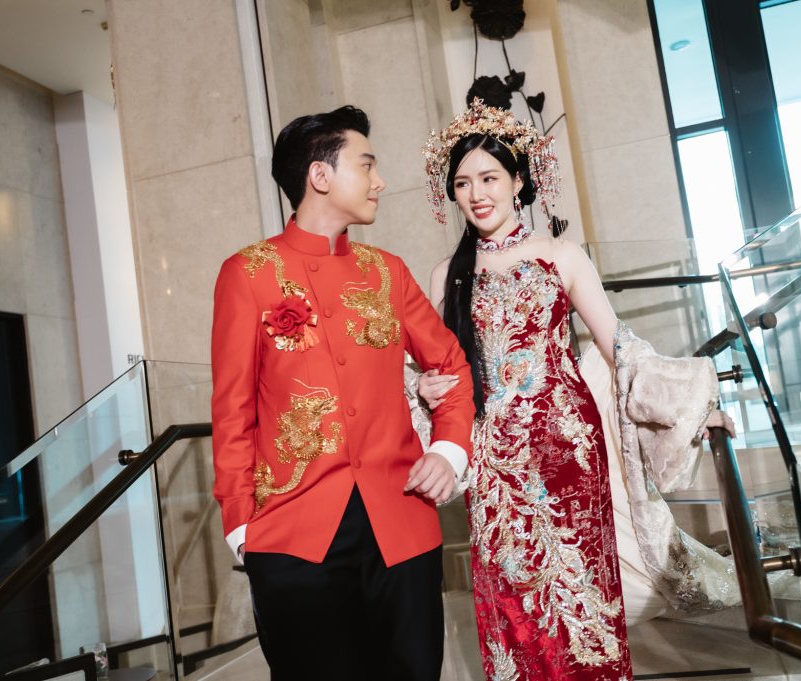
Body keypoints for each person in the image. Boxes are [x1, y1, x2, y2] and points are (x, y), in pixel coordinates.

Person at [416, 99, 737, 680]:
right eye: (462, 183)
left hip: (566, 449)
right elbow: (439, 366)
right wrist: (428, 385)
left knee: (580, 590)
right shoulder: (446, 274)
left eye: (489, 178)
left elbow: (620, 346)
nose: (476, 193)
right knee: (512, 597)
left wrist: (693, 410)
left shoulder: (560, 255)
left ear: (518, 181)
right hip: (493, 461)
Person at [210, 105, 476, 681]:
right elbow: (232, 410)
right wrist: (241, 526)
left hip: (401, 525)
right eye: (367, 165)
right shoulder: (247, 273)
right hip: (291, 536)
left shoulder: (388, 272)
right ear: (320, 175)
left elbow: (451, 366)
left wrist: (449, 450)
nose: (380, 181)